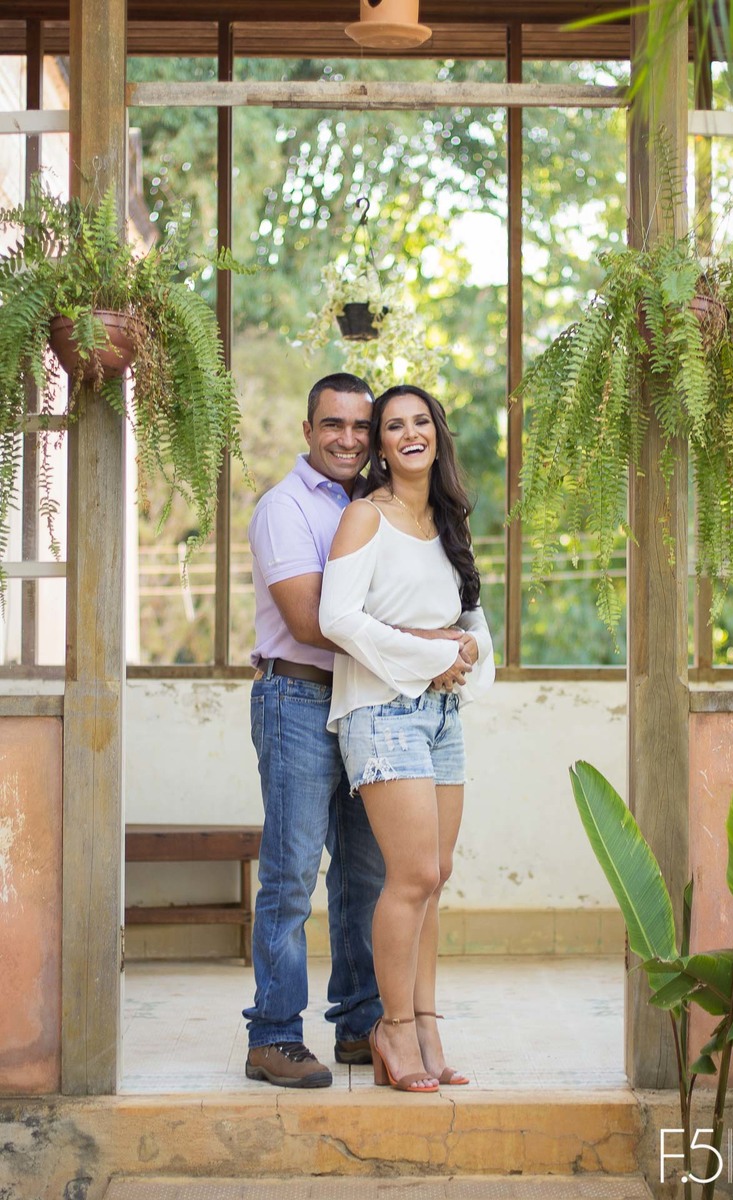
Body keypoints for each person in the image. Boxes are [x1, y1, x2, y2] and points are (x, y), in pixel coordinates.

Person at [319, 384, 495, 1093]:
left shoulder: (450, 522)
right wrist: (432, 653)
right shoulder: (366, 516)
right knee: (412, 875)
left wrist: (464, 657)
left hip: (441, 716)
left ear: (437, 435)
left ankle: (425, 1019)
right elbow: (338, 618)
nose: (409, 433)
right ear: (382, 445)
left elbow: (473, 623)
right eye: (395, 425)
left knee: (438, 876)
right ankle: (390, 1030)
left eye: (421, 421)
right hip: (381, 715)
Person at [243, 372, 386, 1088]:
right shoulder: (285, 508)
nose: (349, 440)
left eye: (362, 428)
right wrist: (413, 644)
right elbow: (307, 621)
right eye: (335, 425)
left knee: (366, 874)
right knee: (292, 874)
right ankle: (272, 1035)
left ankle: (361, 1027)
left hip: (365, 704)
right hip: (296, 699)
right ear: (308, 430)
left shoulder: (377, 506)